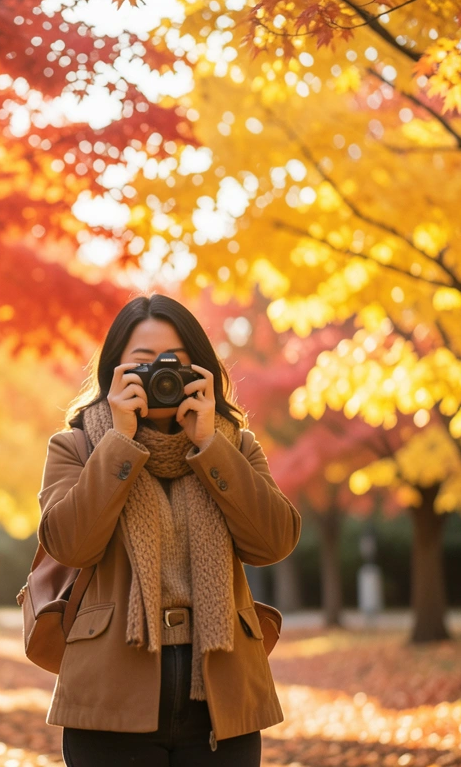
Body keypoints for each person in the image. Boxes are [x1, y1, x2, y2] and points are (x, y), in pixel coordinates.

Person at [37, 294, 302, 766]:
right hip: (111, 695)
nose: (160, 375)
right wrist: (118, 442)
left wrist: (210, 446)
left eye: (174, 362)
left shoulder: (234, 446)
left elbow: (274, 542)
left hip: (221, 695)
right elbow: (69, 545)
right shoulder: (76, 447)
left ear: (200, 371)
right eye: (142, 362)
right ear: (115, 372)